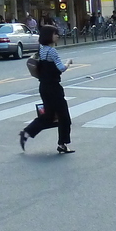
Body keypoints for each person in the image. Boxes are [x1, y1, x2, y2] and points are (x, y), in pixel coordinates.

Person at [20, 25, 74, 153]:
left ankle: (27, 132)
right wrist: (68, 62)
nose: (57, 36)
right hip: (54, 88)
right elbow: (61, 68)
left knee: (48, 116)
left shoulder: (42, 50)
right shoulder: (52, 51)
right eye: (55, 34)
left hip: (44, 87)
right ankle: (62, 144)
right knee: (64, 117)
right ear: (49, 36)